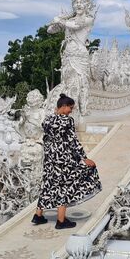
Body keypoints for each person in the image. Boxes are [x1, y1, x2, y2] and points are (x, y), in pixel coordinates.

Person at [32, 93, 102, 229]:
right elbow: (73, 141)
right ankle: (61, 220)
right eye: (70, 108)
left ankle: (38, 215)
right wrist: (84, 158)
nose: (71, 111)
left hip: (49, 160)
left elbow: (46, 139)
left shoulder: (47, 120)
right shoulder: (67, 121)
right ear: (63, 106)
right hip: (63, 160)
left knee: (48, 185)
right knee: (64, 186)